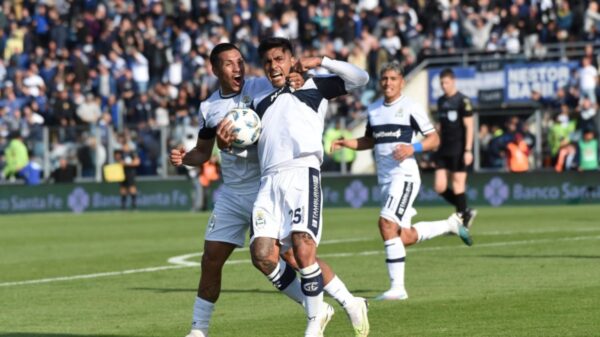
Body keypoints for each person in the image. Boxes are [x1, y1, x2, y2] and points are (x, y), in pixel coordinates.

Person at [169, 43, 367, 337]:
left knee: (294, 254)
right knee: (216, 258)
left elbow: (346, 80)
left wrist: (304, 70)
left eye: (240, 61)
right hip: (238, 191)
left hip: (269, 179)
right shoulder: (210, 107)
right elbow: (206, 150)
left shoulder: (262, 86)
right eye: (229, 64)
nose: (238, 68)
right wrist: (187, 158)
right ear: (215, 69)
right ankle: (199, 331)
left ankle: (344, 303)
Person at [249, 37, 370, 337]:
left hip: (302, 172)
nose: (273, 65)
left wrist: (321, 61)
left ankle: (313, 324)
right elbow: (249, 143)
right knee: (265, 255)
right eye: (268, 62)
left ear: (291, 59)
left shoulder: (313, 85)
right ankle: (347, 302)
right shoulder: (258, 99)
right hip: (269, 181)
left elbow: (361, 78)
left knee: (303, 249)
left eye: (279, 58)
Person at [331, 61, 472, 301]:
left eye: (393, 79)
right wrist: (348, 143)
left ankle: (398, 288)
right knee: (402, 236)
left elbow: (434, 139)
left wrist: (413, 148)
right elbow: (369, 141)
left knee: (386, 224)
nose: (388, 83)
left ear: (402, 82)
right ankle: (450, 224)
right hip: (385, 180)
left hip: (404, 176)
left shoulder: (410, 107)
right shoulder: (374, 109)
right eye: (384, 78)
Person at [434, 68, 477, 228]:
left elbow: (469, 126)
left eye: (446, 82)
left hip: (459, 148)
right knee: (439, 187)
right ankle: (465, 210)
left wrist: (468, 150)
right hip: (443, 148)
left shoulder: (462, 100)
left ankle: (463, 220)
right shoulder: (440, 101)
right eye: (442, 83)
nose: (444, 86)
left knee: (458, 184)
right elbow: (440, 125)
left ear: (453, 82)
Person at [114, 136, 140, 210]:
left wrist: (126, 164)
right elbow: (117, 161)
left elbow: (137, 162)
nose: (124, 147)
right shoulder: (120, 154)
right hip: (122, 173)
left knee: (132, 187)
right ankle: (123, 206)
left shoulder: (132, 153)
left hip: (130, 172)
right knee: (123, 188)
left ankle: (134, 205)